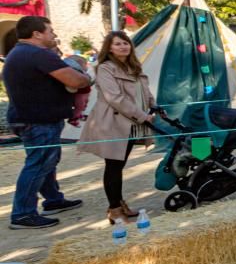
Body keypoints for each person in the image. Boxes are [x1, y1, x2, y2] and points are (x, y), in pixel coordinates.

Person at [3, 16, 89, 229]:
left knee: (47, 162)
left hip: (32, 118)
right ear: (37, 34)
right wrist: (87, 79)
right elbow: (75, 80)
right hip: (38, 120)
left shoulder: (19, 53)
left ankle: (53, 199)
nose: (54, 35)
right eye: (50, 31)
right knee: (39, 164)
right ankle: (22, 213)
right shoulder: (37, 54)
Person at [77, 31, 156, 224]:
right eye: (118, 44)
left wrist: (153, 105)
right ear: (109, 48)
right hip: (113, 123)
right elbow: (114, 98)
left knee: (118, 166)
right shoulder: (105, 68)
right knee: (113, 166)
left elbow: (142, 90)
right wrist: (142, 116)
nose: (123, 47)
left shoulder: (133, 66)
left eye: (125, 43)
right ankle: (114, 209)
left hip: (130, 122)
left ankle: (119, 204)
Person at [62, 54, 92, 127]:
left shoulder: (81, 73)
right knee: (80, 106)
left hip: (84, 93)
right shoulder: (76, 74)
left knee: (84, 105)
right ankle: (73, 119)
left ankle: (79, 114)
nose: (86, 66)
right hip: (80, 94)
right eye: (85, 64)